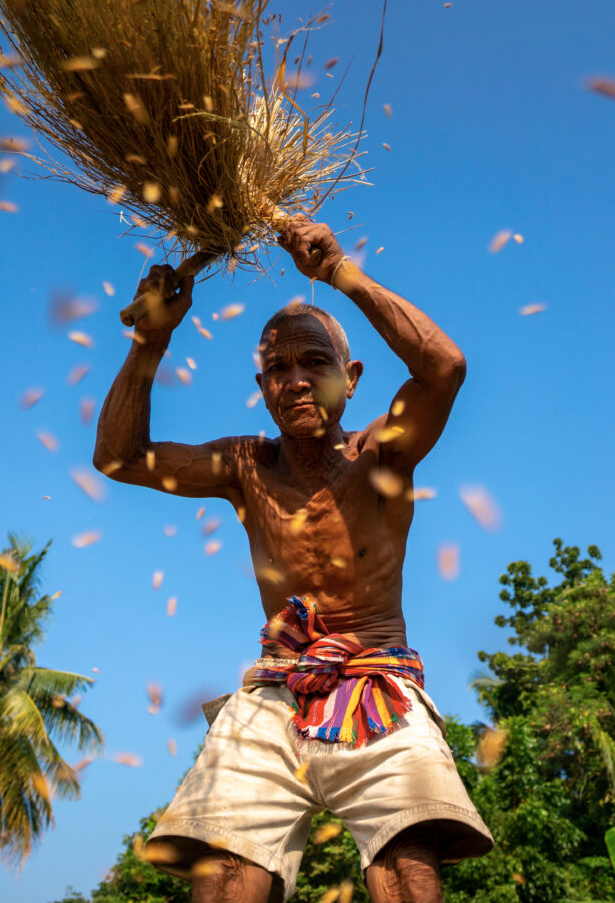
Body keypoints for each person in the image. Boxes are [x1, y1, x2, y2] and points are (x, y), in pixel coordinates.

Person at [94, 219, 492, 902]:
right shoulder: (245, 464)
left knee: (405, 866)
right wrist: (149, 340)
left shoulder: (382, 455)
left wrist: (342, 271)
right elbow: (119, 457)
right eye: (278, 369)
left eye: (315, 363)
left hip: (379, 682)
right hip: (278, 686)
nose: (296, 381)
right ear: (260, 384)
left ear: (352, 377)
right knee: (224, 876)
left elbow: (446, 367)